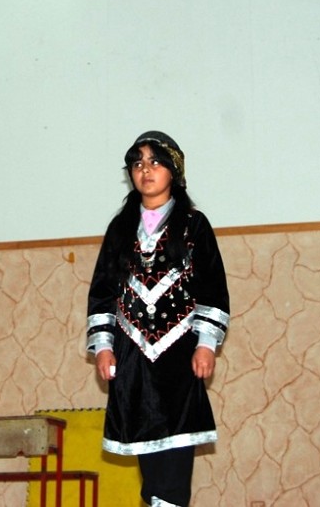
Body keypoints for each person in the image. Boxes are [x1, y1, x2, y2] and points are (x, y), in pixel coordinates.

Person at [86, 131, 230, 507]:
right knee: (147, 455)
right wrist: (104, 347)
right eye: (138, 163)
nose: (145, 170)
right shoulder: (120, 229)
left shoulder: (194, 225)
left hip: (179, 355)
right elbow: (103, 292)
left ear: (173, 171)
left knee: (175, 455)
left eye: (154, 162)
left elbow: (212, 288)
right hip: (132, 357)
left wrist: (205, 344)